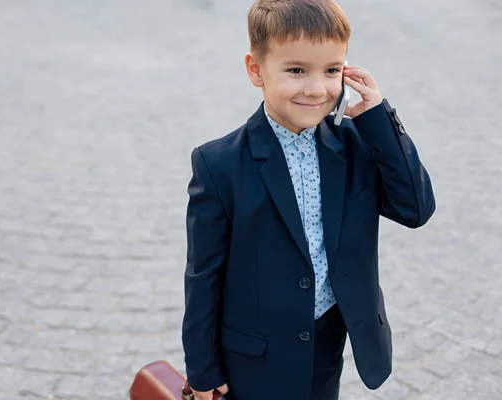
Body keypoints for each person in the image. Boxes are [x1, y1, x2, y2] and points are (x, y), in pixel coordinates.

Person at [181, 0, 436, 398]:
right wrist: (202, 371)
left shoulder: (357, 146)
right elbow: (203, 278)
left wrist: (378, 118)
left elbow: (415, 209)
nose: (317, 89)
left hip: (324, 344)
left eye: (332, 70)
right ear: (256, 70)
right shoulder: (219, 164)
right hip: (252, 358)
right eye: (296, 70)